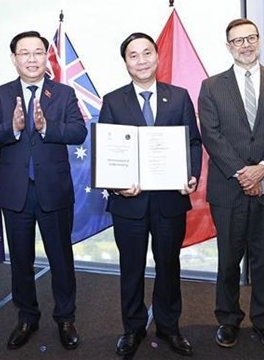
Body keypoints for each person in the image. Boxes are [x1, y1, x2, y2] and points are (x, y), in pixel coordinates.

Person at [198, 18, 264, 353]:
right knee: (229, 259)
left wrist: (262, 169)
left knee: (263, 260)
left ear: (259, 41)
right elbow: (211, 134)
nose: (245, 44)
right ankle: (228, 320)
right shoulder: (212, 86)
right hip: (228, 188)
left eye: (250, 38)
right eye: (237, 40)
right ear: (228, 46)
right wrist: (243, 173)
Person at [98, 32, 202, 357]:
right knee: (131, 268)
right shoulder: (113, 101)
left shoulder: (180, 96)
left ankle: (170, 327)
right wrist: (115, 184)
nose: (141, 60)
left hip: (170, 200)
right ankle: (133, 328)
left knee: (169, 265)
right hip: (128, 203)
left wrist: (191, 174)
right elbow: (106, 149)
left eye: (147, 53)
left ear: (157, 57)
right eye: (133, 55)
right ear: (125, 62)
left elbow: (193, 143)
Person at [0, 30, 87, 351]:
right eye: (24, 53)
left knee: (61, 259)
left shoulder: (64, 93)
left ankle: (65, 318)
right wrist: (12, 128)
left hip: (53, 191)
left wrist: (45, 127)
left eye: (38, 52)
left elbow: (79, 132)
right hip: (16, 193)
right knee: (21, 261)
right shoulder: (1, 95)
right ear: (14, 58)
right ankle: (27, 317)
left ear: (46, 57)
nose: (31, 58)